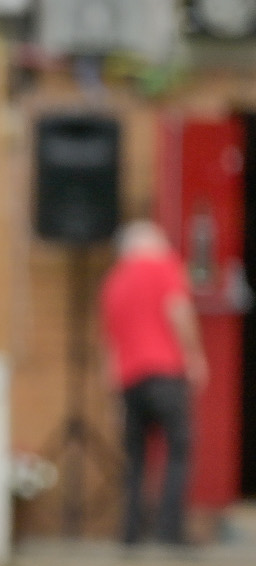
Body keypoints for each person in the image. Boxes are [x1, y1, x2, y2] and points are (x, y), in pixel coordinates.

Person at [99, 220, 208, 546]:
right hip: (165, 372)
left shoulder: (114, 281)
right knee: (178, 451)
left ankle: (130, 532)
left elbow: (110, 343)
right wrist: (194, 355)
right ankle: (169, 530)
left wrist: (113, 394)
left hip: (128, 379)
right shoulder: (164, 267)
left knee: (135, 459)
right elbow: (178, 311)